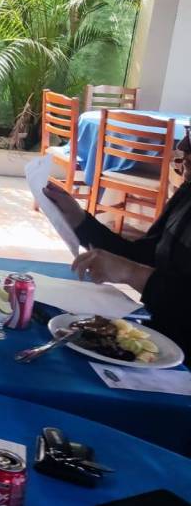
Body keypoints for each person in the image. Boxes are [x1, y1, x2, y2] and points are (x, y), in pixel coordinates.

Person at [43, 125, 191, 363]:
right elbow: (143, 256)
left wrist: (131, 273)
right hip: (155, 343)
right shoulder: (187, 194)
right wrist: (78, 219)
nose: (182, 146)